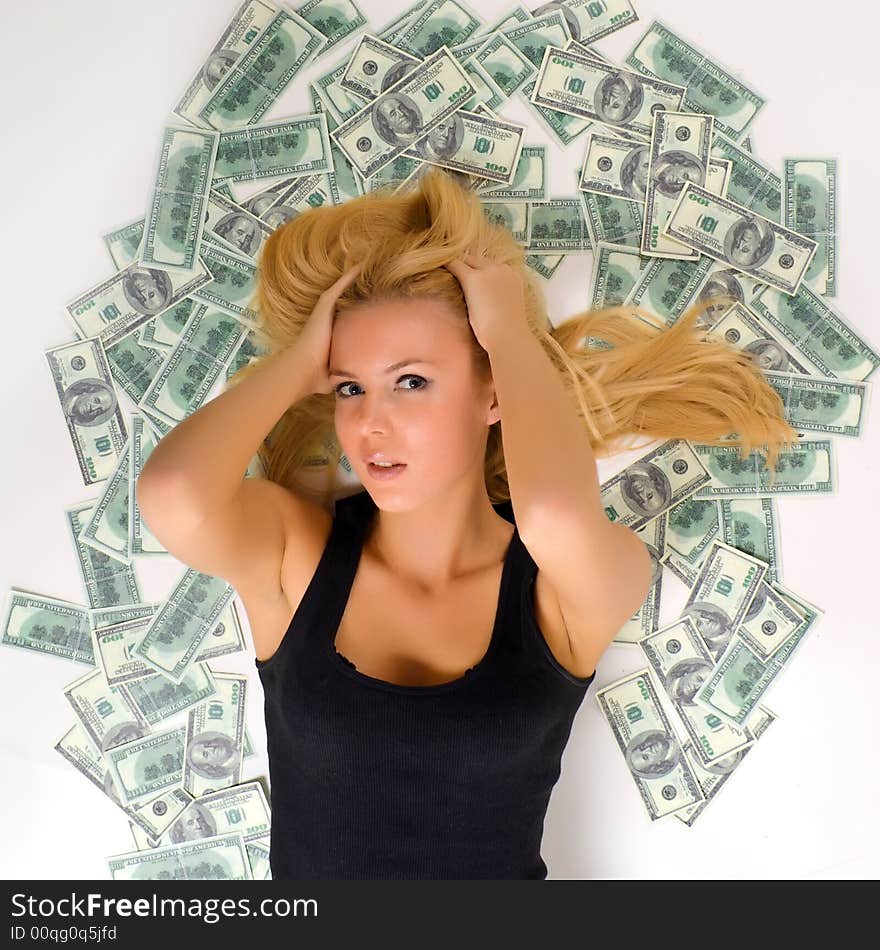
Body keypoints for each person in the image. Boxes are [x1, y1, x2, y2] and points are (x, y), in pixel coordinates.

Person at [136, 167, 798, 880]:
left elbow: (550, 511)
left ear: (491, 394)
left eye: (411, 381)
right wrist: (300, 363)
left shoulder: (565, 587)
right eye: (351, 387)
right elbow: (174, 493)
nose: (369, 423)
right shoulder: (297, 557)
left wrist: (509, 336)